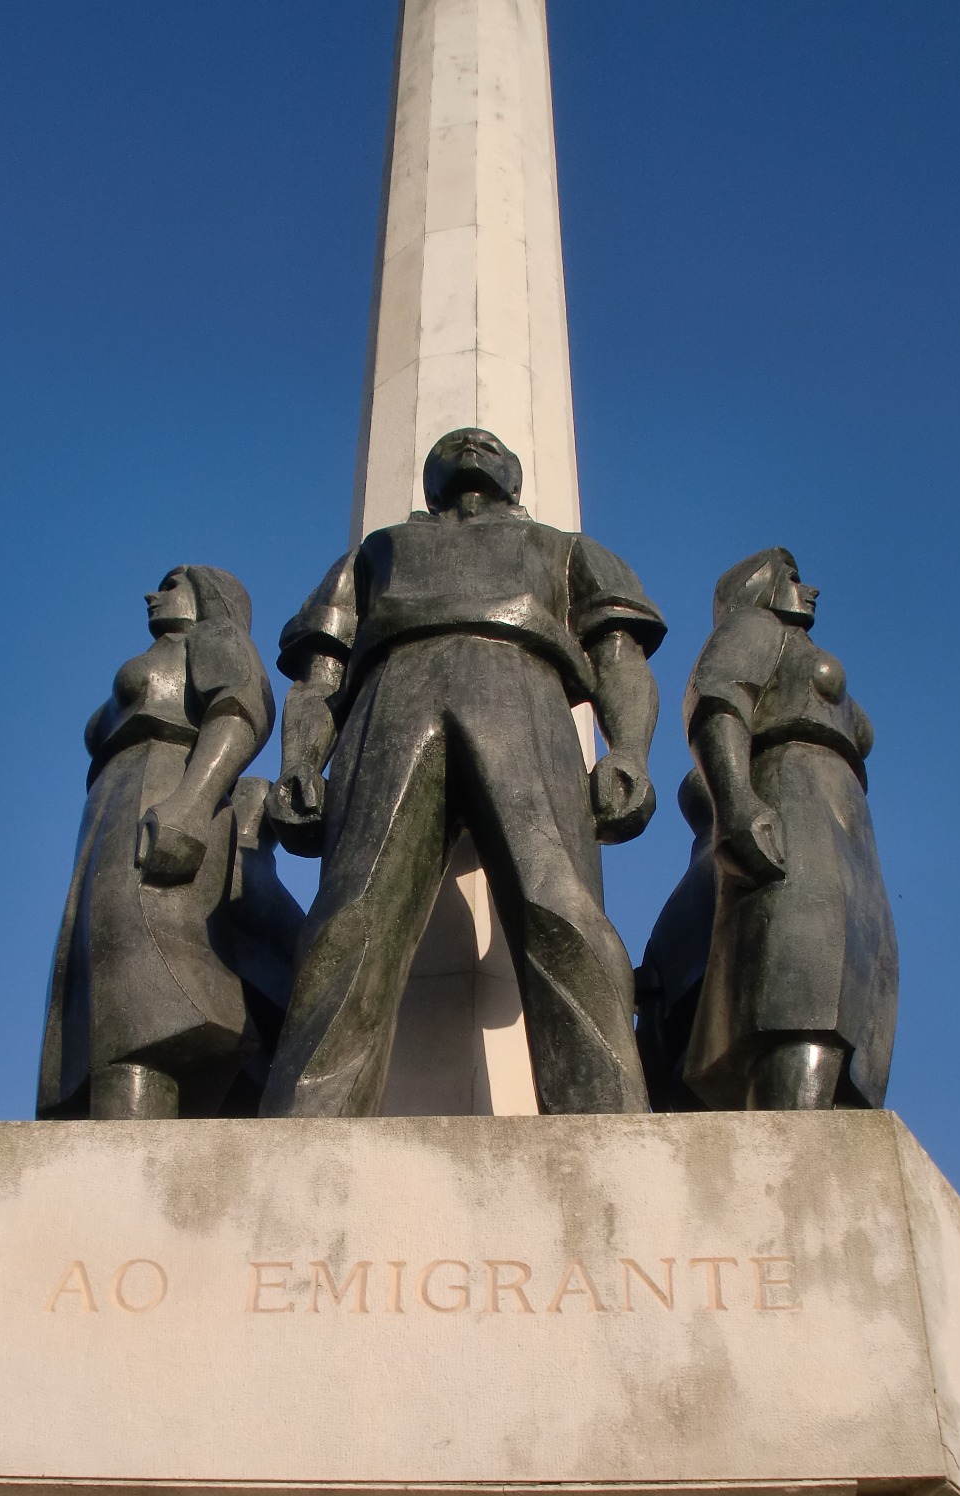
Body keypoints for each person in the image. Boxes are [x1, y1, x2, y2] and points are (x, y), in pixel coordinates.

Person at [262, 427, 665, 1117]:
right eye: (452, 443)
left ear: (514, 476)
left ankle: (610, 1119)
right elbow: (320, 671)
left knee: (559, 903)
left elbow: (620, 655)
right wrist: (300, 759)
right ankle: (304, 1127)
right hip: (391, 694)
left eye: (487, 444)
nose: (470, 446)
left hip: (524, 689)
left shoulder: (563, 549)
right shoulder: (377, 552)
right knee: (353, 914)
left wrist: (626, 749)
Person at [37, 565, 300, 1120]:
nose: (154, 595)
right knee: (104, 990)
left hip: (164, 788)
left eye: (173, 584)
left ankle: (129, 1156)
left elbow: (239, 708)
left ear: (210, 596)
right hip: (112, 808)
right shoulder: (167, 653)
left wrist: (191, 803)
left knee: (141, 994)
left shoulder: (215, 637)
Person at [683, 547, 898, 1110]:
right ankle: (790, 1146)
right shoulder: (756, 626)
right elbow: (718, 702)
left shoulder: (798, 646)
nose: (813, 590)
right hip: (791, 796)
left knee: (855, 990)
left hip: (846, 825)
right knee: (801, 979)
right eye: (795, 578)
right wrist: (735, 803)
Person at [635, 768, 716, 1111]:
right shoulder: (731, 867)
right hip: (736, 1063)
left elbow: (649, 1023)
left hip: (684, 1080)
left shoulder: (671, 911)